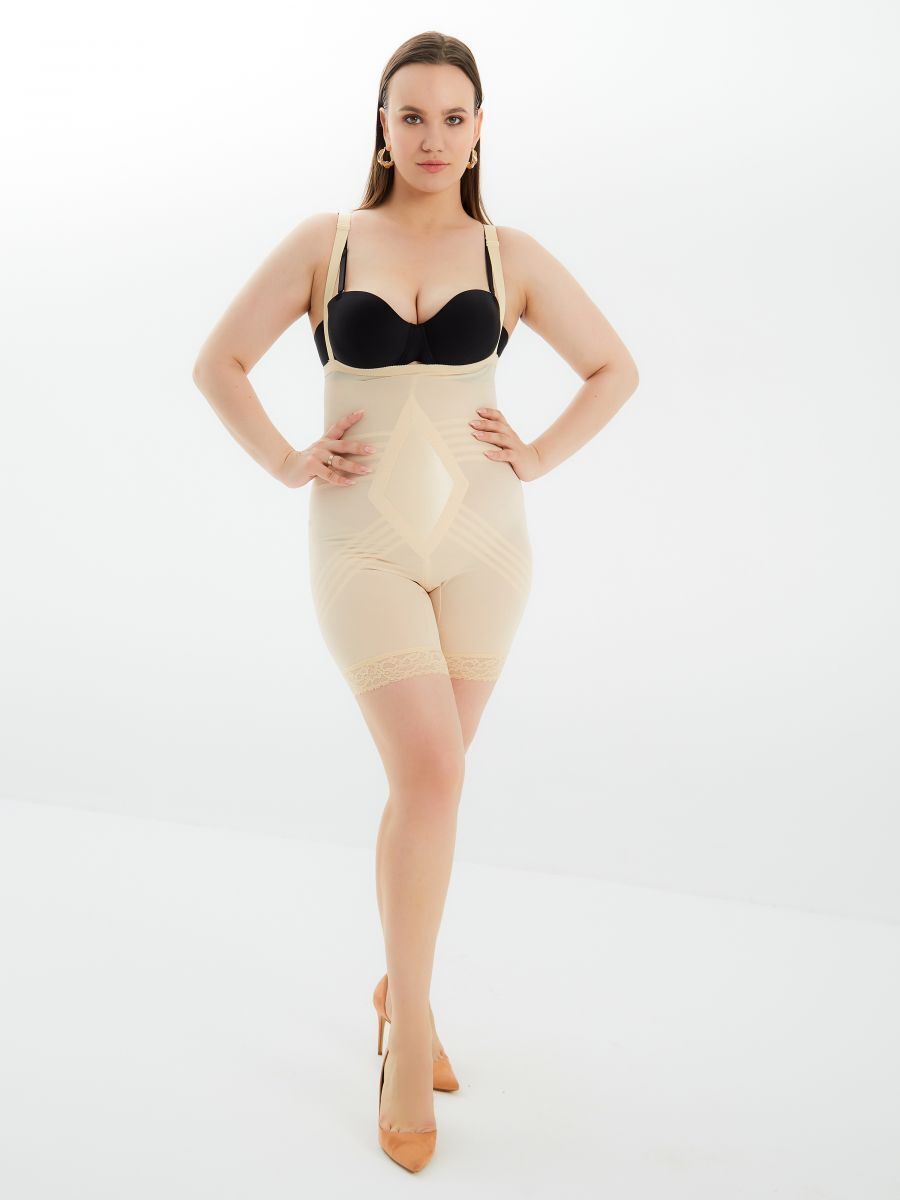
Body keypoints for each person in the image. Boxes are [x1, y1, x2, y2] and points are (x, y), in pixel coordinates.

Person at [192, 30, 639, 1174]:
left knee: (425, 786)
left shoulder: (510, 254)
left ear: (479, 131)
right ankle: (407, 1036)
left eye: (453, 116)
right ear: (381, 129)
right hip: (363, 546)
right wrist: (286, 458)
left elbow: (615, 369)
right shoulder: (327, 242)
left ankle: (402, 985)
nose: (433, 135)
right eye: (411, 115)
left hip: (487, 546)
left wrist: (538, 453)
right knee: (433, 772)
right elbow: (218, 364)